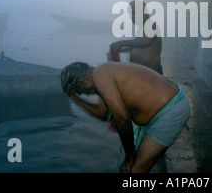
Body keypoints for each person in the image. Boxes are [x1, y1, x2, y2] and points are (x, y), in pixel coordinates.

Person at [61, 61, 190, 173]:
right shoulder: (101, 74)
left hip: (170, 111)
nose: (85, 95)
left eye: (80, 91)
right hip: (162, 113)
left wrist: (130, 157)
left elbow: (122, 118)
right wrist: (74, 98)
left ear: (82, 82)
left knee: (132, 171)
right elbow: (102, 114)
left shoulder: (100, 75)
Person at [109, 0, 163, 74]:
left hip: (152, 73)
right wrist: (120, 49)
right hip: (141, 72)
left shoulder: (151, 24)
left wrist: (121, 43)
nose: (131, 16)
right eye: (130, 13)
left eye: (133, 13)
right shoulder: (142, 27)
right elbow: (137, 45)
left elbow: (146, 41)